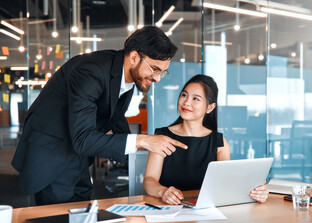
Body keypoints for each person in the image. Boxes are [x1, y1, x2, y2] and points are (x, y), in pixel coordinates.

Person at [11, 26, 188, 205]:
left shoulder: (125, 78)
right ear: (134, 57)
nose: (157, 78)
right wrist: (142, 140)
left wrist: (153, 156)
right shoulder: (90, 71)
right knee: (59, 219)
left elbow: (115, 118)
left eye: (162, 72)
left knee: (82, 207)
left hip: (76, 152)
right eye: (155, 69)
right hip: (52, 154)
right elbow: (83, 139)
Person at [143, 74, 268, 205]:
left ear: (210, 107)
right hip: (167, 209)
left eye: (195, 99)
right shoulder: (162, 136)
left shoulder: (219, 142)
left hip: (204, 211)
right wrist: (163, 192)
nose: (186, 102)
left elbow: (226, 181)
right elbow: (149, 180)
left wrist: (257, 190)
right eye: (184, 95)